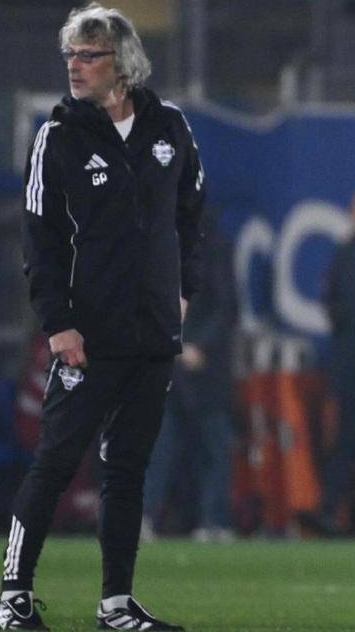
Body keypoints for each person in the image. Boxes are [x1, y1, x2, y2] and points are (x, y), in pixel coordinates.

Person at [0, 3, 204, 631]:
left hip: (152, 334)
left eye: (89, 55)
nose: (74, 65)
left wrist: (185, 291)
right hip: (86, 334)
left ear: (124, 63)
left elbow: (193, 216)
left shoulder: (170, 126)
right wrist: (57, 322)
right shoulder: (57, 135)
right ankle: (12, 594)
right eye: (71, 54)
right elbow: (39, 240)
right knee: (56, 463)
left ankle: (116, 604)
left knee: (127, 470)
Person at [142, 208, 237, 543]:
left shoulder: (215, 248)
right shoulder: (157, 248)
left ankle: (212, 520)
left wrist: (199, 345)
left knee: (213, 445)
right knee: (160, 444)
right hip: (167, 362)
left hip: (205, 368)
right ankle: (144, 515)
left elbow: (226, 306)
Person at [316, 188, 355, 534]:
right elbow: (332, 303)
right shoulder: (345, 254)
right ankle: (329, 510)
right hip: (353, 369)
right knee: (345, 442)